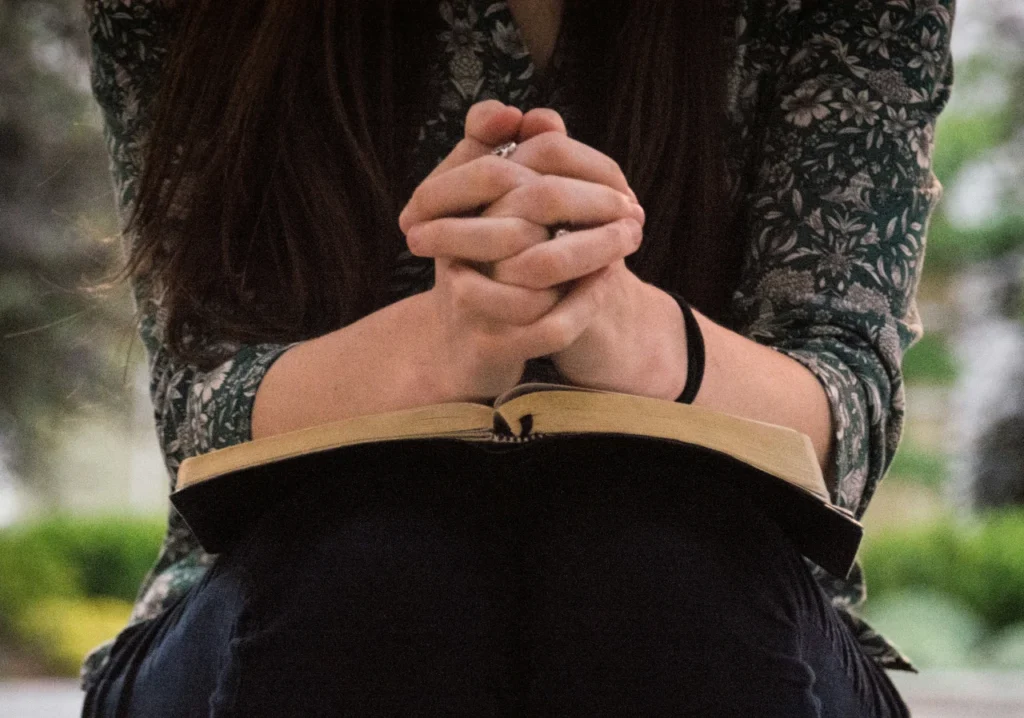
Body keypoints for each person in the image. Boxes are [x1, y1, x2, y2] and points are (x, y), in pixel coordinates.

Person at [80, 0, 954, 715]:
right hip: (281, 599)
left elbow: (848, 420)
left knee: (662, 581)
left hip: (727, 611)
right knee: (376, 575)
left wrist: (620, 323)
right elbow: (196, 410)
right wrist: (441, 343)